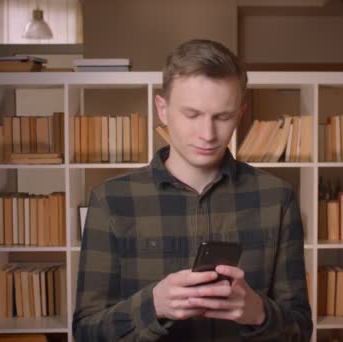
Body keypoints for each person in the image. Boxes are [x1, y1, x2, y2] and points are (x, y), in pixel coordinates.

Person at [73, 39, 312, 341]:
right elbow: (86, 332)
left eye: (222, 117)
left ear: (240, 114)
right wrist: (154, 305)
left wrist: (258, 312)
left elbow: (301, 329)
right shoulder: (110, 201)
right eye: (192, 115)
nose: (208, 134)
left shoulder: (278, 199)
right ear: (163, 110)